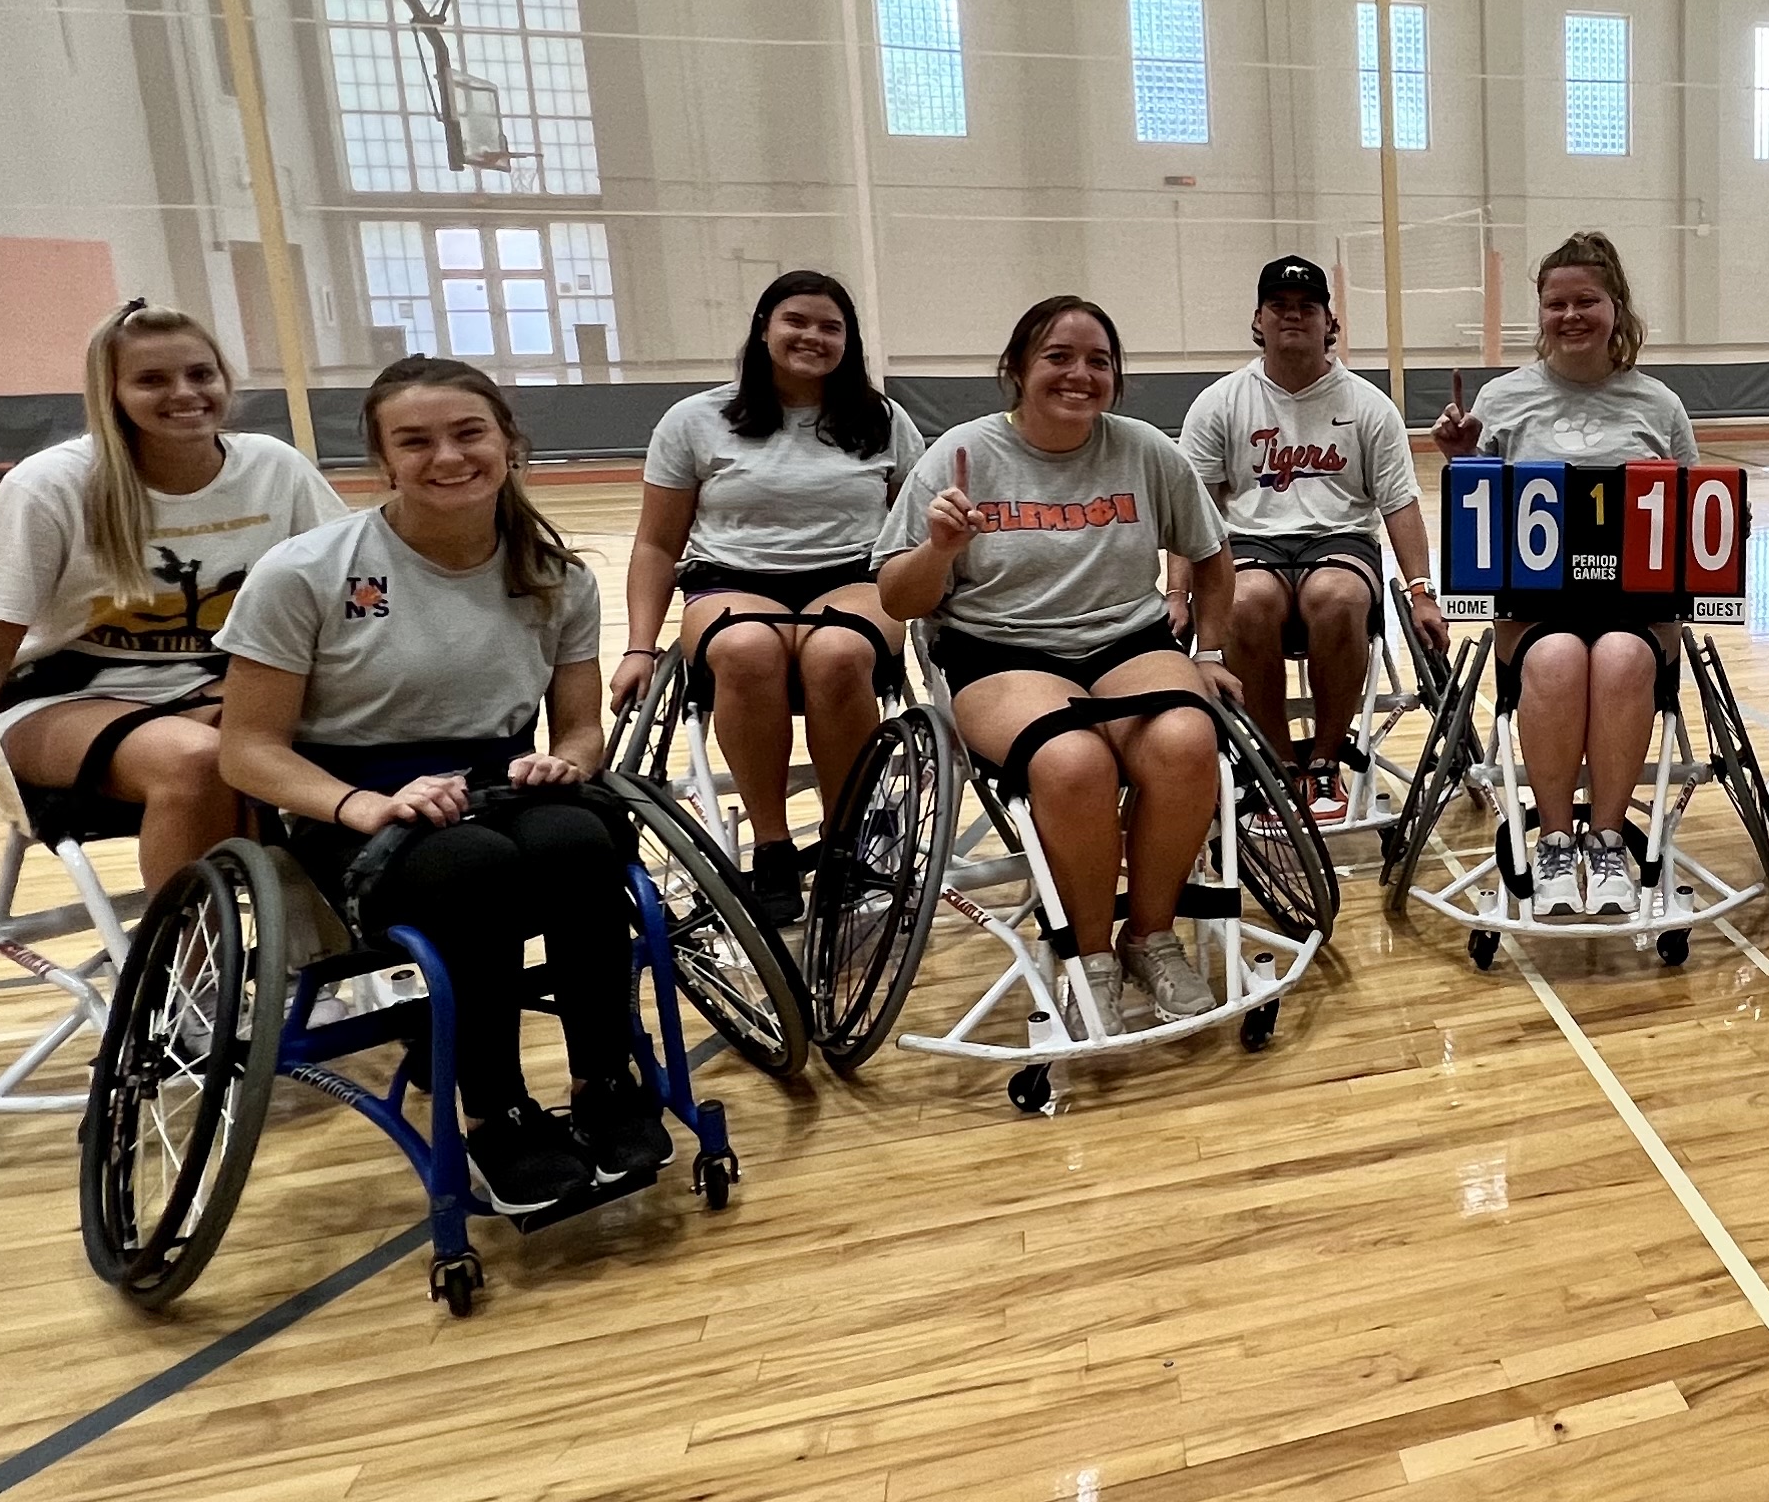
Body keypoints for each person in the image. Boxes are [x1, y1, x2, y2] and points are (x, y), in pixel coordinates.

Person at [219, 358, 642, 1219]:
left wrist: (567, 761)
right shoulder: (306, 572)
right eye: (416, 441)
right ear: (382, 461)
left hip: (499, 782)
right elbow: (248, 751)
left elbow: (581, 730)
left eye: (468, 433)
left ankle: (607, 1079)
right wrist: (363, 805)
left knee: (582, 840)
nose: (447, 456)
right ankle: (494, 1108)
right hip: (356, 801)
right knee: (471, 868)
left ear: (510, 443)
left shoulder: (558, 574)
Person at [0, 301, 342, 902]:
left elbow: (348, 591)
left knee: (330, 734)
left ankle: (314, 942)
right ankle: (184, 975)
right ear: (112, 393)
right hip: (66, 695)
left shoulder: (274, 468)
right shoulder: (50, 485)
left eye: (200, 374)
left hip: (218, 685)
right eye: (152, 379)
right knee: (200, 758)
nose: (184, 392)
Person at [879, 295, 1233, 1022]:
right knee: (1073, 763)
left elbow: (1211, 554)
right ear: (1016, 369)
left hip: (1125, 641)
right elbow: (897, 597)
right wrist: (939, 549)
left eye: (1098, 361)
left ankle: (1151, 935)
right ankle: (1091, 951)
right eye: (1058, 358)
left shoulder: (1144, 450)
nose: (1080, 374)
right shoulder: (959, 456)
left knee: (1188, 740)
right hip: (999, 649)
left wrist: (1216, 648)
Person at [615, 270, 920, 926]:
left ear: (850, 341)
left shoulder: (883, 420)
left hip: (852, 577)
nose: (813, 336)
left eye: (830, 327)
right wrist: (639, 647)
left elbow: (914, 534)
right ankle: (772, 845)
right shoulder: (695, 420)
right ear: (763, 329)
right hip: (732, 579)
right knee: (747, 649)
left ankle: (844, 844)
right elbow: (656, 546)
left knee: (837, 654)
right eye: (797, 322)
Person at [1429, 232, 1700, 919]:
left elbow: (1694, 523)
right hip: (1535, 612)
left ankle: (1608, 840)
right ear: (1540, 312)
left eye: (1587, 300)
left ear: (1617, 308)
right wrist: (1462, 462)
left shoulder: (1660, 406)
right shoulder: (1501, 398)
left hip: (1636, 614)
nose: (1571, 315)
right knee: (1552, 659)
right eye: (1556, 303)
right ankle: (1552, 840)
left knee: (1618, 657)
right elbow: (1477, 523)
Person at [1181, 254, 1447, 804]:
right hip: (1251, 541)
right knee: (1244, 600)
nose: (1292, 317)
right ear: (1258, 320)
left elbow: (1399, 504)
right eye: (1279, 306)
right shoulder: (1219, 403)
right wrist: (1176, 593)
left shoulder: (1370, 406)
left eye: (1307, 307)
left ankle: (1327, 760)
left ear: (1330, 322)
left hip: (1340, 540)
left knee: (1337, 595)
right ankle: (1274, 764)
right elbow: (1195, 513)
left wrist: (1421, 593)